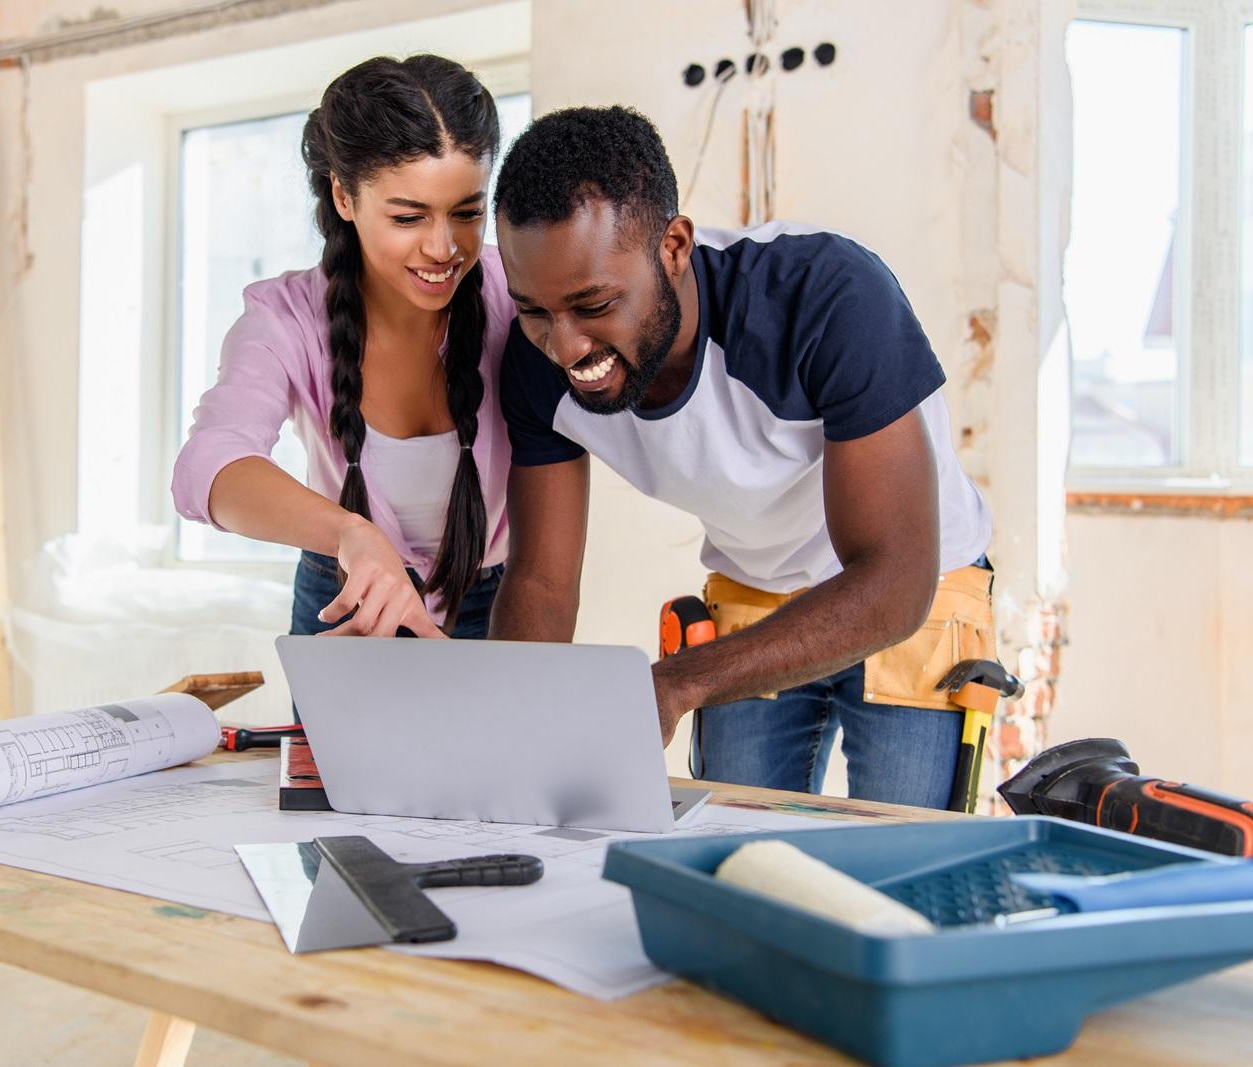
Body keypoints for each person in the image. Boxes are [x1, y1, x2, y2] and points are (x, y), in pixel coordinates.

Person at [488, 106, 995, 809]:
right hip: (755, 585)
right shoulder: (534, 361)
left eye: (594, 303)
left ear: (673, 247)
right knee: (735, 857)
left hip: (917, 586)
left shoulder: (827, 297)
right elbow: (541, 582)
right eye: (534, 309)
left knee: (903, 862)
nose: (566, 346)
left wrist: (677, 681)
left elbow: (893, 577)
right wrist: (506, 741)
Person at [172, 55, 515, 645]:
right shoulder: (283, 319)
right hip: (344, 598)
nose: (444, 247)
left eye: (468, 212)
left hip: (494, 598)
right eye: (408, 216)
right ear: (343, 196)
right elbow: (207, 469)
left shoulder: (517, 293)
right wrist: (350, 534)